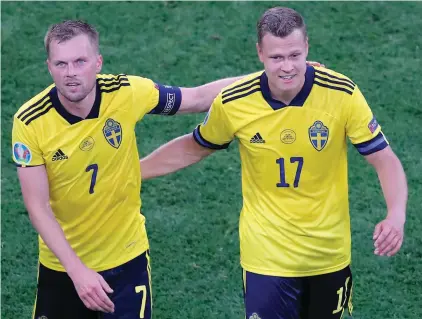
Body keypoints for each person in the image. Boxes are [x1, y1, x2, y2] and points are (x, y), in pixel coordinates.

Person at [140, 7, 408, 319]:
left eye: (295, 55)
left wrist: (396, 214)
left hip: (327, 254)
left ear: (307, 47)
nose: (287, 67)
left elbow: (383, 159)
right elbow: (195, 146)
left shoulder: (342, 93)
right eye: (277, 58)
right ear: (260, 53)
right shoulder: (234, 101)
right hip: (266, 255)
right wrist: (134, 171)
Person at [11, 20, 252, 319]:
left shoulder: (126, 92)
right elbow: (37, 207)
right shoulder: (30, 121)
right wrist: (78, 272)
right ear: (49, 67)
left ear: (97, 63)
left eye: (79, 61)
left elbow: (197, 98)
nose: (71, 73)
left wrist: (268, 75)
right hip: (63, 267)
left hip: (126, 259)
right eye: (61, 63)